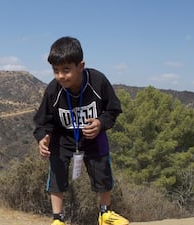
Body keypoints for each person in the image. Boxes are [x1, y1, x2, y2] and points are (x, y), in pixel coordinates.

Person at [33, 36, 129, 225]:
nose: (61, 76)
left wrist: (100, 123)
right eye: (56, 70)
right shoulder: (53, 90)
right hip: (63, 138)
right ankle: (57, 219)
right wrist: (42, 138)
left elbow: (113, 109)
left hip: (92, 137)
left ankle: (105, 213)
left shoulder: (98, 81)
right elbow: (43, 120)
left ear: (81, 65)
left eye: (66, 70)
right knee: (56, 172)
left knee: (103, 170)